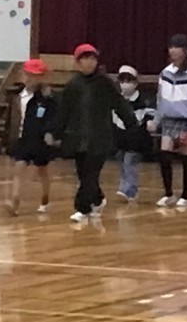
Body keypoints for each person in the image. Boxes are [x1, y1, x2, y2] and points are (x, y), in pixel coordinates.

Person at [48, 44, 137, 222]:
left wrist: (132, 124)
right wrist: (54, 132)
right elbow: (64, 112)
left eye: (92, 58)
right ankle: (97, 199)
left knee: (91, 173)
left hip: (99, 138)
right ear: (78, 62)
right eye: (85, 59)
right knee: (83, 174)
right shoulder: (73, 85)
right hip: (78, 138)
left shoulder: (104, 83)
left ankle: (82, 208)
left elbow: (119, 103)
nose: (89, 62)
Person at [147, 35, 187, 207]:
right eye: (170, 47)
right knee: (164, 155)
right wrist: (156, 120)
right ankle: (169, 193)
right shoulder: (165, 73)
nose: (172, 50)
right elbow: (160, 99)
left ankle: (186, 196)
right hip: (168, 120)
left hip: (186, 121)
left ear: (185, 50)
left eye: (176, 47)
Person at [5, 59, 57, 216]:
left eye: (35, 76)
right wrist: (8, 138)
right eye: (28, 75)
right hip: (23, 139)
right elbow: (11, 120)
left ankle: (45, 198)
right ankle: (15, 201)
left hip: (39, 141)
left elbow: (53, 117)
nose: (31, 79)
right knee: (19, 168)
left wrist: (50, 133)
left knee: (42, 170)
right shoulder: (17, 97)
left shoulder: (46, 98)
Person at [113, 65, 155, 202]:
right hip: (120, 137)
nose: (125, 84)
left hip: (136, 139)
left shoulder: (142, 100)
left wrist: (148, 123)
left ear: (135, 83)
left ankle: (129, 189)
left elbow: (150, 115)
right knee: (121, 162)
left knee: (129, 162)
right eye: (122, 81)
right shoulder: (117, 99)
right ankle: (125, 186)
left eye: (129, 80)